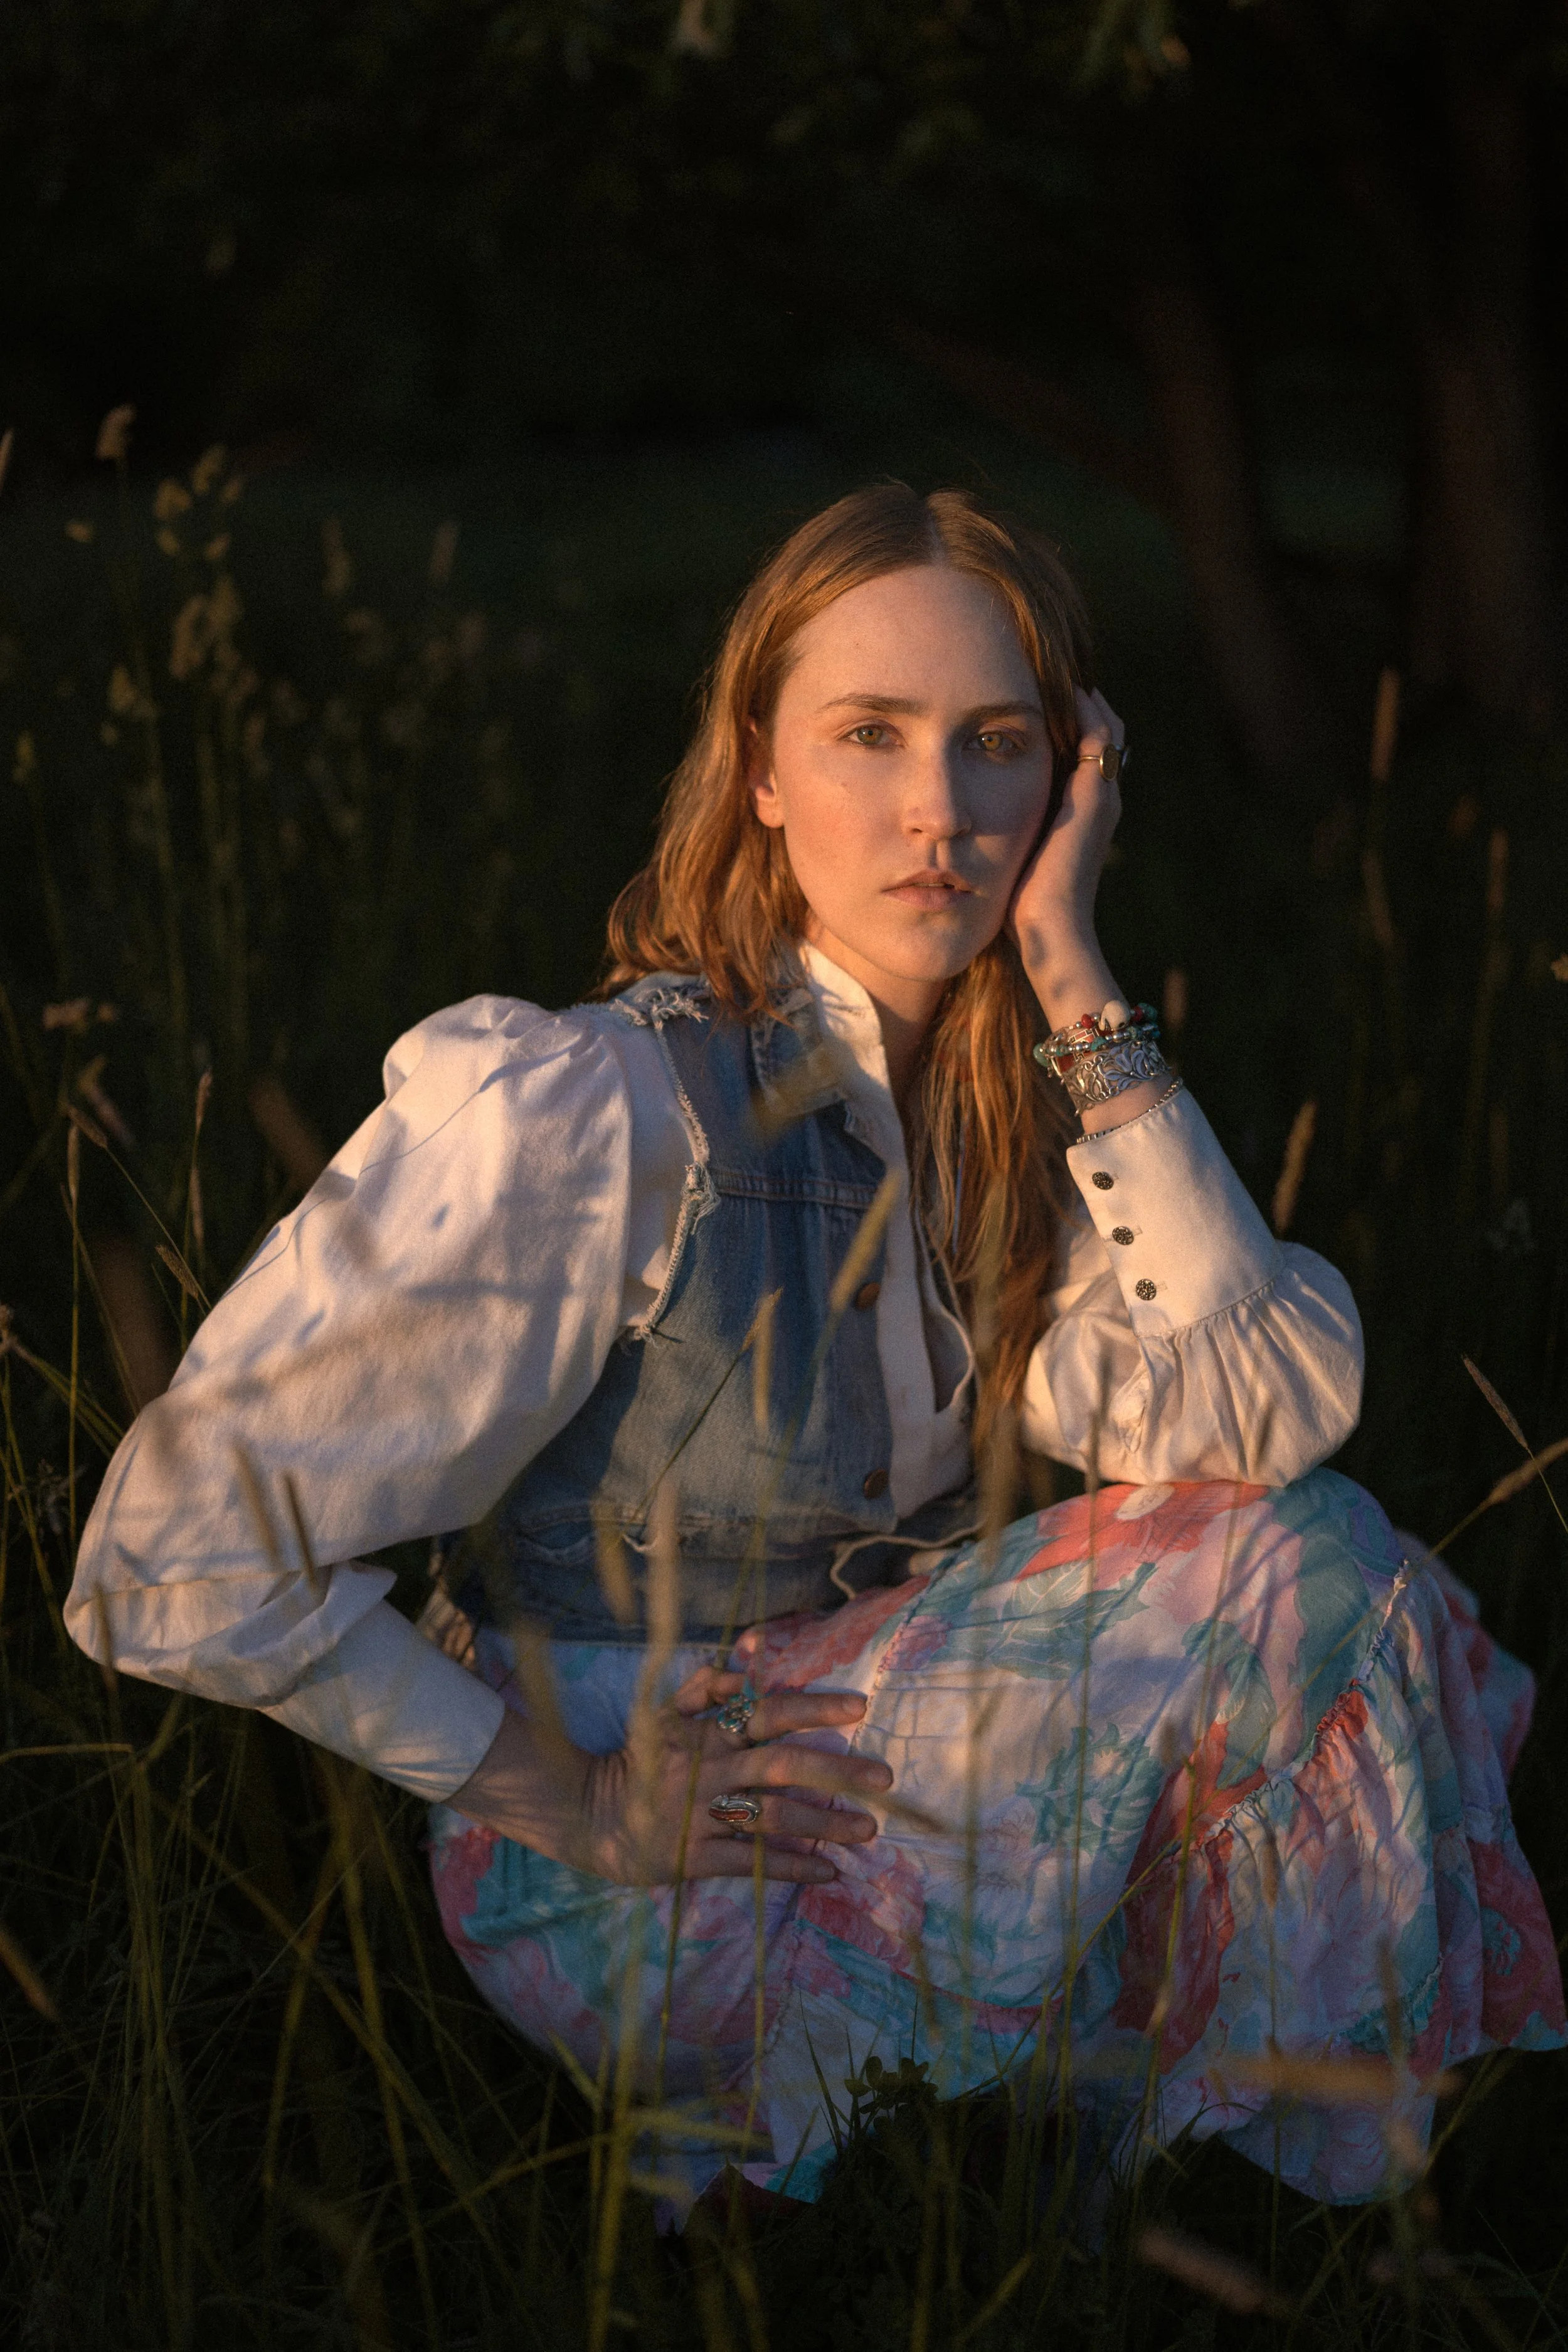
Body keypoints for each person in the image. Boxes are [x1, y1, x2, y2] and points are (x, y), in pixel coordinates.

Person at [68, 486, 1564, 2215]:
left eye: (996, 743)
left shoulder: (988, 1118)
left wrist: (1071, 970)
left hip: (855, 1763)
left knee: (1328, 1572)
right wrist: (576, 1798)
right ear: (760, 771)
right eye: (870, 734)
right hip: (637, 1866)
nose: (940, 812)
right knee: (1304, 1579)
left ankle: (1088, 2188)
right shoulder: (602, 1109)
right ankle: (1121, 2185)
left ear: (1068, 779)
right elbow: (167, 1553)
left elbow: (1259, 1417)